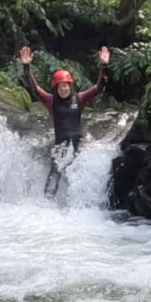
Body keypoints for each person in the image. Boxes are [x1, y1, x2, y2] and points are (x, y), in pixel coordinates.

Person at [19, 46, 110, 196]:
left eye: (66, 86)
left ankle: (80, 208)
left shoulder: (79, 99)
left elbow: (99, 87)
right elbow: (34, 88)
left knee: (79, 178)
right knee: (53, 178)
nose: (63, 89)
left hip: (78, 147)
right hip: (60, 148)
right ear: (56, 88)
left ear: (70, 86)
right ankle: (47, 205)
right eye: (61, 87)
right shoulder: (50, 101)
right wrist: (26, 66)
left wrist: (104, 66)